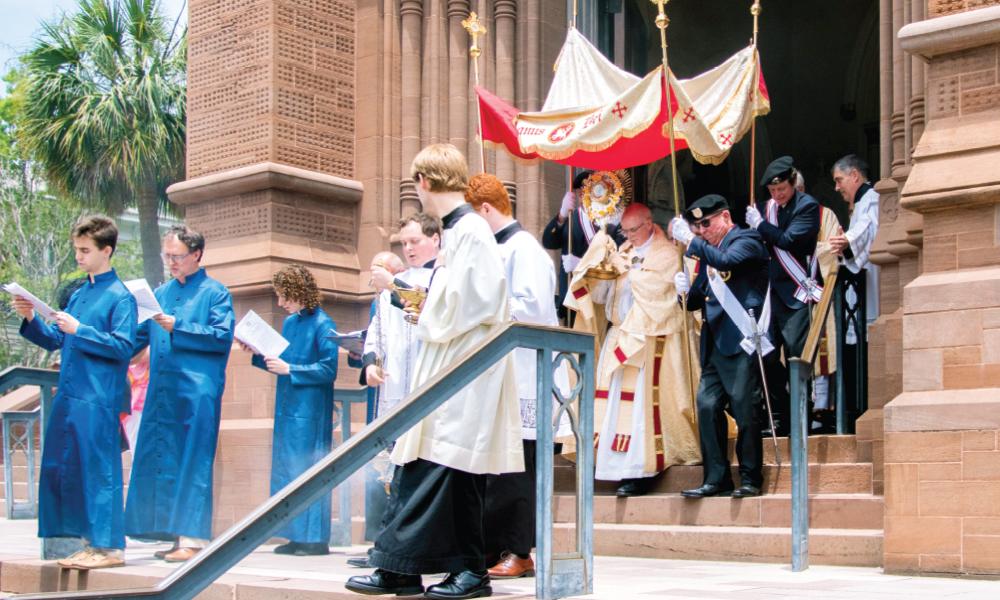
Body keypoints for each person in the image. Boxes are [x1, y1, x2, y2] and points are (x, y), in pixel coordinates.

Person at [346, 144, 522, 600]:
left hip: (463, 370)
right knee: (425, 467)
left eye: (416, 185)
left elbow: (475, 304)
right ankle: (403, 567)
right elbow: (447, 305)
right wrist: (410, 298)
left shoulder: (471, 233)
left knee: (448, 471)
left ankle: (462, 571)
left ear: (424, 181)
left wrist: (402, 292)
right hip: (445, 365)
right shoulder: (458, 232)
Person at [12, 215, 137, 569]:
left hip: (98, 398)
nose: (78, 257)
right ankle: (87, 541)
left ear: (106, 250)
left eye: (85, 250)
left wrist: (80, 329)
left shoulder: (120, 297)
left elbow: (122, 346)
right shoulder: (82, 293)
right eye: (77, 250)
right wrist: (32, 317)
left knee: (100, 471)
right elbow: (56, 339)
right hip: (70, 395)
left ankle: (110, 547)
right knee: (70, 468)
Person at [465, 173, 565, 578]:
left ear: (487, 209)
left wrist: (482, 305)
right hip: (498, 373)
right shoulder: (495, 249)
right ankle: (492, 548)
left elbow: (534, 309)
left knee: (519, 470)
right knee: (495, 470)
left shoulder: (525, 250)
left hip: (525, 375)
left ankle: (520, 552)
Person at [565, 203, 701, 497]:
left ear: (649, 224)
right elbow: (604, 297)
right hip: (619, 335)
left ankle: (640, 469)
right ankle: (609, 467)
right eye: (624, 230)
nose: (628, 236)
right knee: (612, 406)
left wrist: (628, 273)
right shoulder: (623, 252)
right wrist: (596, 270)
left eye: (633, 230)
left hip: (647, 342)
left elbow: (658, 293)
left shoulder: (667, 254)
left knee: (638, 409)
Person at [125, 225, 235, 563]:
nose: (171, 262)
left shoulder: (215, 293)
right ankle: (170, 533)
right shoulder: (159, 292)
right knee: (163, 458)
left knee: (193, 460)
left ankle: (192, 538)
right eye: (167, 256)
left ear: (197, 255)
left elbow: (221, 336)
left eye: (177, 256)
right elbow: (137, 337)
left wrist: (179, 326)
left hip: (196, 392)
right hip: (163, 392)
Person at [670, 195, 770, 498]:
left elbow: (727, 263)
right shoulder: (708, 252)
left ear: (725, 217)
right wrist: (683, 291)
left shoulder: (747, 240)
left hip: (741, 340)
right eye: (697, 226)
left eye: (705, 223)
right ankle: (716, 477)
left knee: (744, 406)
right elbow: (699, 299)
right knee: (707, 405)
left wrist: (690, 241)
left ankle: (750, 477)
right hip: (715, 345)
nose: (701, 230)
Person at [240, 264, 339, 556]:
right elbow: (278, 361)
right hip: (288, 407)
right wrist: (258, 354)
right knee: (288, 470)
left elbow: (328, 368)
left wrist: (291, 368)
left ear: (300, 292)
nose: (281, 303)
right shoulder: (290, 324)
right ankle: (295, 535)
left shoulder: (323, 323)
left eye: (286, 297)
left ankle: (315, 539)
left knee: (309, 469)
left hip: (311, 411)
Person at [745, 156, 820, 436]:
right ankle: (781, 412)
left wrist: (761, 226)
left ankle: (801, 419)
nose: (777, 196)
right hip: (770, 295)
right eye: (773, 192)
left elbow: (788, 240)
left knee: (797, 359)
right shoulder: (767, 210)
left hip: (796, 293)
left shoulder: (807, 206)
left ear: (792, 183)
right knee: (764, 356)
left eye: (782, 190)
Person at [541, 170, 622, 320]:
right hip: (573, 297)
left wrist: (582, 266)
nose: (584, 196)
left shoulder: (612, 221)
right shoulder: (571, 218)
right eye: (581, 192)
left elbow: (619, 259)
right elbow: (548, 242)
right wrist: (561, 215)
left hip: (600, 297)